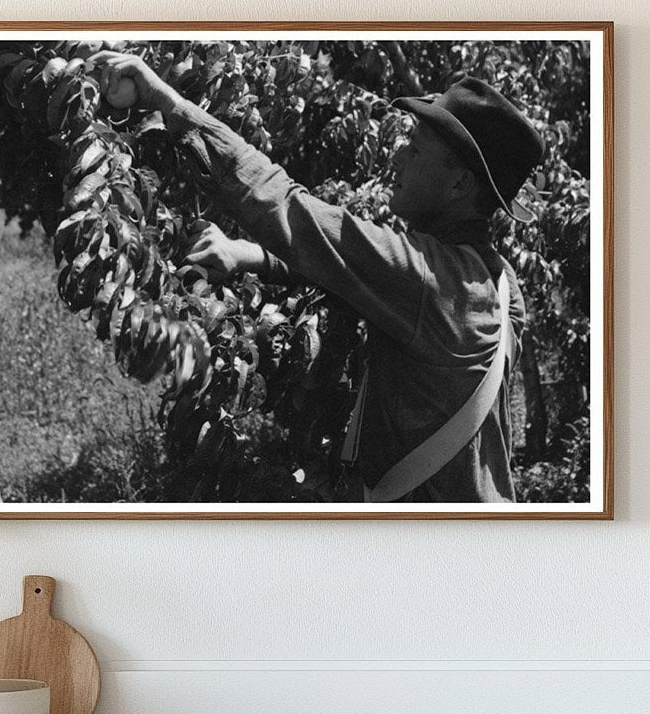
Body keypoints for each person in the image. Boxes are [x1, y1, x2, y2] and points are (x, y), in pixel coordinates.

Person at [103, 52, 545, 503]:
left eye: (414, 148)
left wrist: (164, 99)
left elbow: (284, 203)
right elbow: (362, 275)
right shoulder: (499, 283)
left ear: (459, 186)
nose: (396, 154)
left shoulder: (428, 281)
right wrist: (252, 256)